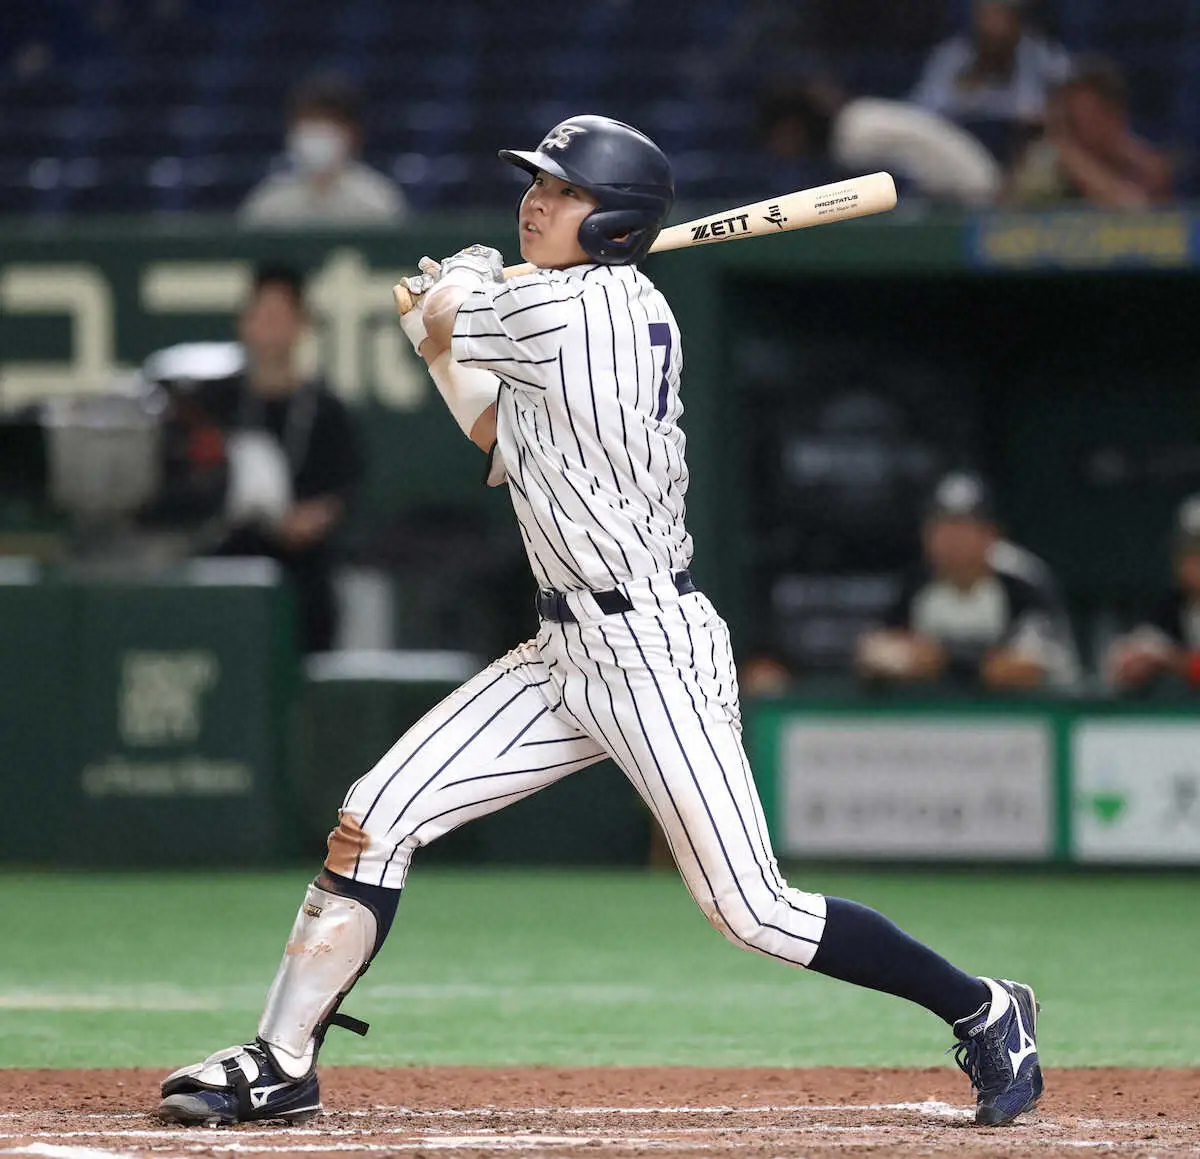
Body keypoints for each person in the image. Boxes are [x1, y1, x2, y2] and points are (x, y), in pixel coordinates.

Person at [155, 116, 1042, 1131]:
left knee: (752, 909)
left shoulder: (579, 314)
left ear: (614, 219)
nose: (537, 199)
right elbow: (497, 431)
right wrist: (447, 335)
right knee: (376, 813)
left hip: (651, 649)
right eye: (537, 183)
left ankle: (984, 1006)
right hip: (563, 649)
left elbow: (457, 308)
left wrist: (447, 299)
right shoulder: (567, 308)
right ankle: (281, 1059)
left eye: (565, 191)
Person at [213, 265, 364, 653]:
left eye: (281, 317)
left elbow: (344, 490)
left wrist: (309, 519)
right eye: (261, 316)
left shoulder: (326, 411)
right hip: (229, 571)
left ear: (302, 324)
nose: (270, 329)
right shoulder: (219, 407)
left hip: (302, 583)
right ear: (244, 323)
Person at [856, 471, 1078, 692]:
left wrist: (941, 660)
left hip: (1036, 716)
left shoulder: (1021, 580)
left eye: (962, 527)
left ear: (991, 534)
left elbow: (1030, 669)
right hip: (950, 719)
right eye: (940, 527)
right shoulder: (919, 581)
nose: (950, 540)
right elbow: (875, 653)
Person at [758, 80, 1003, 207]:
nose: (780, 149)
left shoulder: (854, 135)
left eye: (780, 137)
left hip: (976, 193)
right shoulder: (854, 122)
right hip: (959, 193)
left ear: (794, 128)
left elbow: (902, 189)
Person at [911, 0, 1070, 165]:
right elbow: (922, 112)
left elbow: (1063, 109)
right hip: (957, 148)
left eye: (1003, 14)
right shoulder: (951, 56)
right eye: (988, 15)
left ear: (1018, 19)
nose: (996, 26)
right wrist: (968, 89)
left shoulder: (1043, 55)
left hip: (1020, 154)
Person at [239, 75, 409, 229]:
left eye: (330, 123)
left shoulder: (378, 201)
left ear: (353, 133)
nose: (319, 132)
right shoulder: (269, 203)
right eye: (310, 121)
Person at [1006, 55, 1173, 209]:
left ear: (1114, 116)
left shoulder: (1128, 154)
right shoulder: (1048, 159)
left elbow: (1146, 207)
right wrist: (1071, 156)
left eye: (1092, 117)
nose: (1081, 127)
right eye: (1074, 118)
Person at [1107, 494, 1200, 694]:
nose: (1191, 563)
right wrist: (1138, 660)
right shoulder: (1174, 603)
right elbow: (1127, 661)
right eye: (1188, 552)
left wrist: (1173, 661)